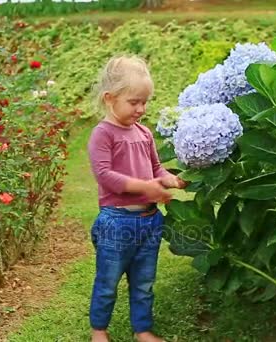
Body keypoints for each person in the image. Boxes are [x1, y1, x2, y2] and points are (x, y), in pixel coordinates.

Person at [87, 55, 186, 342]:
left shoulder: (144, 133)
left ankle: (142, 331)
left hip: (149, 221)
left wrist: (170, 179)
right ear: (110, 98)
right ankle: (99, 331)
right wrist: (146, 187)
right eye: (134, 102)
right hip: (116, 223)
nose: (141, 109)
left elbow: (156, 167)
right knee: (107, 282)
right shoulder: (102, 135)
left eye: (145, 102)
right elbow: (105, 176)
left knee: (144, 282)